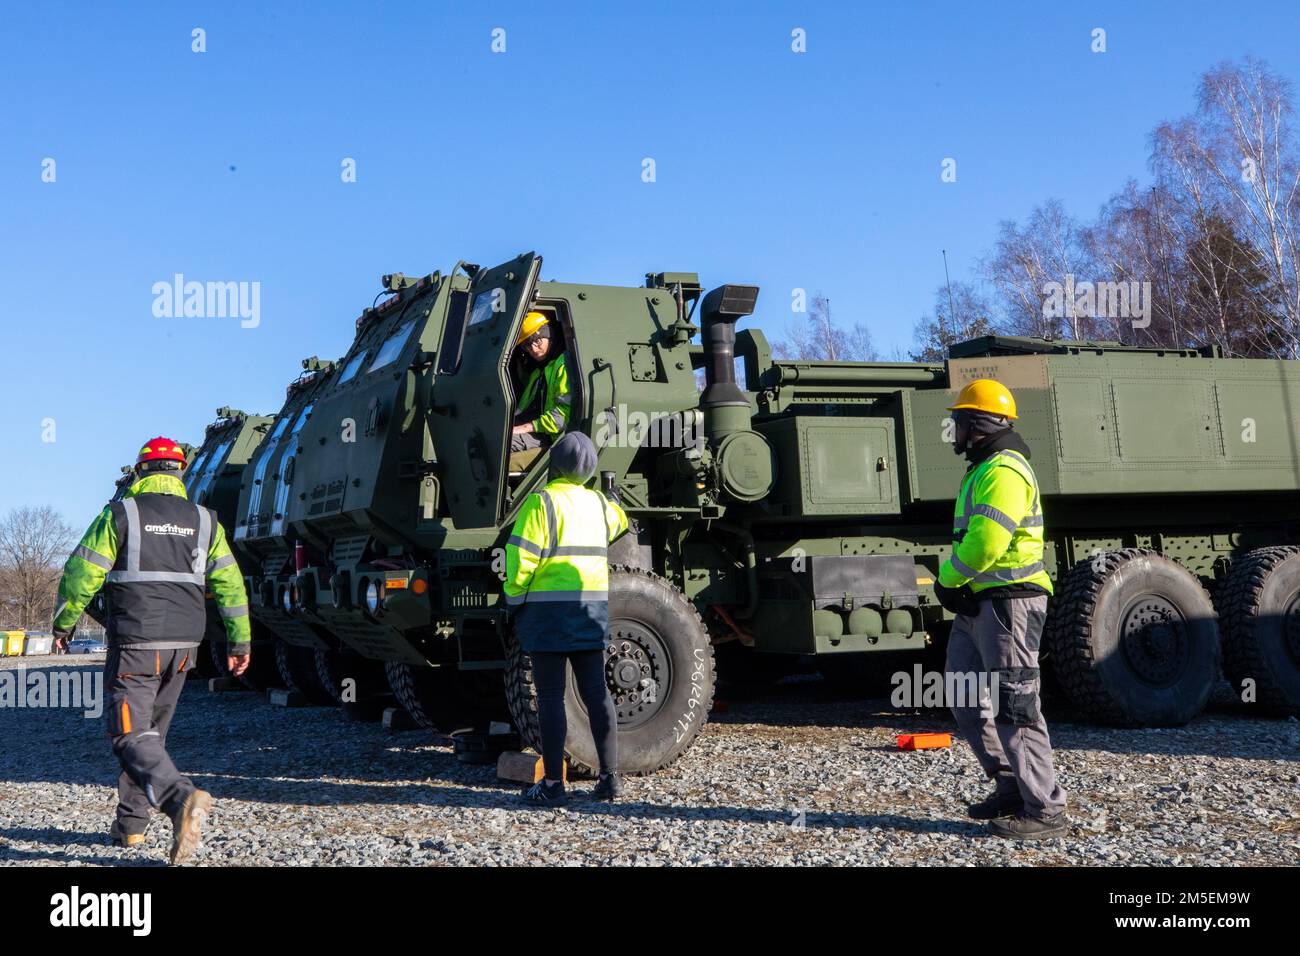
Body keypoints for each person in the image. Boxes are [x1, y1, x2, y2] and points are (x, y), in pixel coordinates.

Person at [51, 436, 252, 863]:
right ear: (180, 473)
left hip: (137, 644)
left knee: (128, 734)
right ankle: (131, 827)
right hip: (184, 647)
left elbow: (81, 572)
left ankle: (180, 801)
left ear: (140, 471)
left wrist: (63, 622)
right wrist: (239, 640)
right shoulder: (205, 520)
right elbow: (231, 586)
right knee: (150, 735)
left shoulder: (120, 514)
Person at [933, 380, 1069, 840]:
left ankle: (1045, 809)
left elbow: (988, 541)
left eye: (959, 421)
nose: (953, 430)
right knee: (965, 696)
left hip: (1009, 602)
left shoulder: (1004, 469)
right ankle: (1012, 785)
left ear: (979, 425)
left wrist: (948, 580)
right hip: (981, 604)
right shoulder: (983, 468)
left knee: (1015, 707)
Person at [503, 431, 628, 805]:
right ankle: (610, 779)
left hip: (547, 615)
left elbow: (521, 558)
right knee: (597, 693)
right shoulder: (599, 505)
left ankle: (554, 785)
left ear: (553, 464)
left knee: (552, 697)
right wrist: (614, 499)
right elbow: (619, 522)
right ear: (590, 469)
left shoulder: (541, 503)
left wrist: (513, 599)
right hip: (590, 612)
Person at [510, 311, 571, 455]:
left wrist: (525, 428)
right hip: (536, 428)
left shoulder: (564, 365)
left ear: (549, 335)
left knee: (501, 443)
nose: (533, 348)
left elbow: (564, 417)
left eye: (537, 340)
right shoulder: (539, 372)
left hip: (550, 435)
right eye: (527, 345)